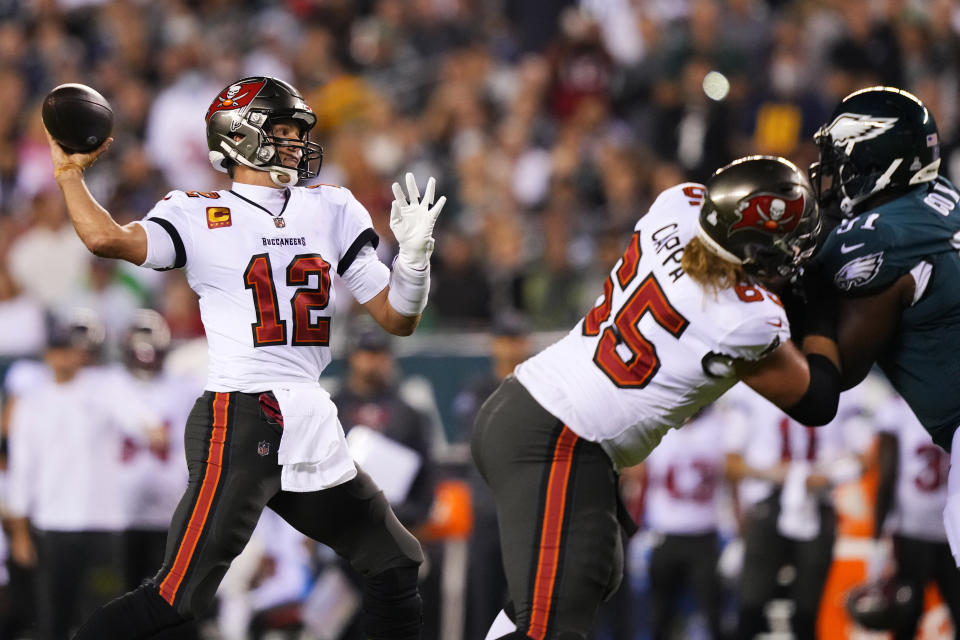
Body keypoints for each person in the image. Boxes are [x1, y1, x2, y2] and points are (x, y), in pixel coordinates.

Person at [44, 76, 446, 640]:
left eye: (294, 132)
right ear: (238, 138)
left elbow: (397, 317)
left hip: (309, 415)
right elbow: (108, 238)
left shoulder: (330, 206)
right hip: (242, 416)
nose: (293, 143)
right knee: (175, 597)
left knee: (396, 563)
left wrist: (416, 261)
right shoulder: (197, 211)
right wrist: (69, 175)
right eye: (279, 131)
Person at [471, 154, 843, 640]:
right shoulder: (743, 318)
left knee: (589, 579)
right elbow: (817, 399)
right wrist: (821, 301)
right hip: (559, 442)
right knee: (552, 628)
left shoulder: (677, 205)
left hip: (528, 407)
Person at [806, 85, 960, 565]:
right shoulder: (942, 196)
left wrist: (802, 283)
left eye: (841, 159)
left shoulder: (879, 240)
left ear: (875, 160)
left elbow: (834, 376)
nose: (831, 173)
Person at [6, 311, 165, 640]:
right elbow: (22, 470)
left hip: (102, 524)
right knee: (53, 618)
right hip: (52, 524)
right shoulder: (33, 403)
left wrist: (148, 426)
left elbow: (139, 418)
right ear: (48, 353)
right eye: (59, 349)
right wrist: (20, 532)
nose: (66, 356)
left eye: (72, 349)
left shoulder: (104, 387)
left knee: (104, 617)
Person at [722, 381, 871, 640]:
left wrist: (830, 475)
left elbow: (867, 455)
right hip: (767, 502)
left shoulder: (843, 387)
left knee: (808, 612)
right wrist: (776, 474)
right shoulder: (751, 385)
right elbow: (732, 463)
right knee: (750, 607)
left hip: (818, 503)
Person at [866, 389, 960, 637]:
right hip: (952, 529)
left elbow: (887, 476)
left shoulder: (896, 410)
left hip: (912, 530)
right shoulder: (952, 407)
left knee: (905, 617)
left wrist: (876, 538)